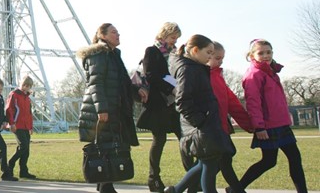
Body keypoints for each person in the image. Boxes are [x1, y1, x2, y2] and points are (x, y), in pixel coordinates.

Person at [78, 23, 148, 193]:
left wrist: (137, 91)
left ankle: (105, 186)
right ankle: (105, 187)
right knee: (105, 149)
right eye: (113, 32)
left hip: (115, 110)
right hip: (103, 111)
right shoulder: (99, 55)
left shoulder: (113, 55)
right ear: (103, 35)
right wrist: (101, 109)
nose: (118, 34)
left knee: (109, 148)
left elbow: (123, 82)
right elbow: (96, 84)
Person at [235, 39, 307, 193]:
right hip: (268, 126)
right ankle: (236, 188)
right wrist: (259, 127)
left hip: (281, 124)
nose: (266, 55)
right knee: (268, 161)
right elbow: (253, 103)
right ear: (252, 55)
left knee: (294, 158)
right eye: (261, 53)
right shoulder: (253, 75)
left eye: (269, 52)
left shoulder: (271, 72)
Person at [165, 35, 232, 193]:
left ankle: (176, 190)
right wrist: (200, 122)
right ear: (195, 50)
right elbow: (182, 100)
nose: (210, 57)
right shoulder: (188, 69)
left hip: (205, 124)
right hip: (201, 127)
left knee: (204, 163)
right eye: (208, 52)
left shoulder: (195, 67)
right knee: (209, 165)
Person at [136, 23, 193, 192]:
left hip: (175, 102)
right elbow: (152, 74)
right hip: (159, 102)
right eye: (172, 37)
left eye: (176, 38)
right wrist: (172, 87)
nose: (174, 41)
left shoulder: (176, 53)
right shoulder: (152, 51)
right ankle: (154, 178)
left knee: (184, 138)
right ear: (163, 35)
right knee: (159, 140)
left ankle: (193, 176)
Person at [6, 76, 36, 180]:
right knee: (23, 146)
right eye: (25, 85)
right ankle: (11, 163)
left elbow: (29, 113)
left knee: (26, 149)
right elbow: (9, 109)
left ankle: (23, 171)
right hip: (17, 125)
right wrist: (11, 123)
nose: (26, 87)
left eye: (28, 86)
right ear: (21, 84)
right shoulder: (14, 94)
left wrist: (30, 127)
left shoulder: (27, 98)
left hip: (25, 126)